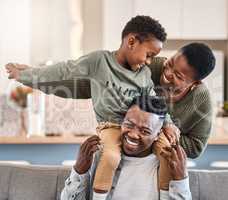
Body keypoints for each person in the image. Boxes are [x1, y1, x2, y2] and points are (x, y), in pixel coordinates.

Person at [5, 15, 177, 196]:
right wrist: (27, 74)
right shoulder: (99, 61)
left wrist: (169, 123)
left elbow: (153, 101)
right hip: (110, 127)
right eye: (149, 55)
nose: (149, 61)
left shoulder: (144, 74)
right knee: (110, 157)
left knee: (167, 152)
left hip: (137, 128)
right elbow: (64, 70)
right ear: (131, 41)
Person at [61, 95, 192, 200]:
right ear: (121, 122)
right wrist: (79, 171)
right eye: (129, 125)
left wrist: (181, 180)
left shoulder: (166, 166)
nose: (133, 135)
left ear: (158, 134)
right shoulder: (101, 157)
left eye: (145, 131)